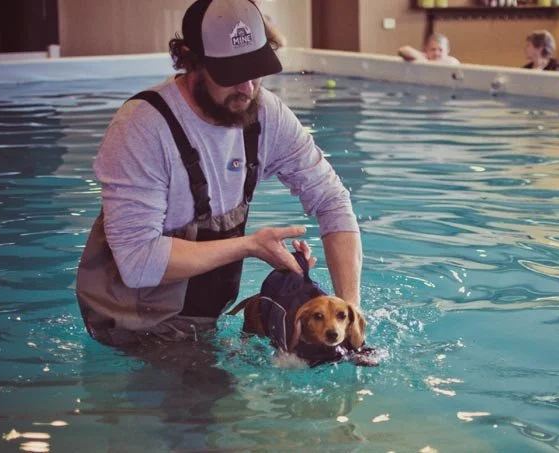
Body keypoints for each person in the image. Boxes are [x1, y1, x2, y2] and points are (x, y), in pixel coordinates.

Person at [75, 0, 362, 347]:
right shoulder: (142, 128)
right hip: (135, 323)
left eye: (255, 70)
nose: (248, 88)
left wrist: (351, 310)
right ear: (191, 62)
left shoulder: (266, 114)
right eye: (231, 75)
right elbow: (138, 262)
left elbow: (332, 201)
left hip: (203, 318)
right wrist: (251, 246)